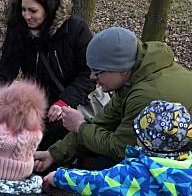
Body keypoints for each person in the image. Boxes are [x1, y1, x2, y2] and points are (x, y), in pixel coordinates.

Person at [0, 0, 95, 151]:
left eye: (33, 11)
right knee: (0, 129)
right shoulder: (19, 29)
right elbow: (4, 73)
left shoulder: (75, 29)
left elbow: (88, 75)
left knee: (39, 138)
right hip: (37, 99)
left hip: (71, 101)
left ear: (49, 9)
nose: (26, 16)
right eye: (23, 10)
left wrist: (64, 102)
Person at [34, 26, 192, 172]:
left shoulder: (145, 95)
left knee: (107, 164)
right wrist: (54, 154)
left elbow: (122, 149)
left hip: (182, 164)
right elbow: (104, 122)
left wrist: (81, 127)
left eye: (98, 72)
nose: (92, 77)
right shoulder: (134, 75)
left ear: (121, 69)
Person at [44, 101, 192, 196]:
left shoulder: (140, 173)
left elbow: (97, 183)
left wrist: (59, 176)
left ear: (148, 140)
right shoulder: (182, 168)